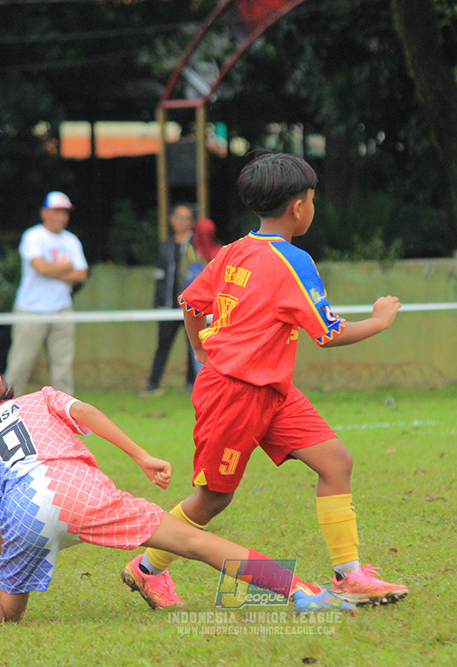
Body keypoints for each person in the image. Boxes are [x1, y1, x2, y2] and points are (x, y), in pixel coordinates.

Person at [0, 356, 353, 633]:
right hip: (77, 491)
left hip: (23, 517)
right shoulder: (38, 399)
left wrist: (7, 578)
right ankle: (301, 592)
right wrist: (141, 455)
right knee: (196, 543)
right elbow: (87, 413)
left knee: (7, 611)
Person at [134, 153, 409, 608]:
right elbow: (329, 333)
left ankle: (349, 575)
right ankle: (145, 569)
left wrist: (201, 348)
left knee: (335, 461)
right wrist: (379, 322)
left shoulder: (233, 250)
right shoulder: (293, 260)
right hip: (234, 393)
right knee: (212, 499)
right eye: (313, 199)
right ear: (300, 207)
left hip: (272, 389)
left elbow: (192, 303)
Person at [3, 192, 88, 396]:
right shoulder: (33, 236)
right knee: (20, 365)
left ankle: (64, 414)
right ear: (44, 213)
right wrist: (67, 267)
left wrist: (53, 270)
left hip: (62, 309)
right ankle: (4, 410)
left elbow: (82, 274)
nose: (61, 217)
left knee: (63, 368)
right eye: (56, 211)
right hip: (30, 309)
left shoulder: (71, 240)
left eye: (64, 212)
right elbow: (41, 268)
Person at [139, 204, 205, 396]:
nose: (180, 221)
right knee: (162, 346)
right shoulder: (166, 246)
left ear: (192, 223)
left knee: (194, 346)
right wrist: (159, 304)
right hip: (168, 306)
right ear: (171, 219)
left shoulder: (198, 246)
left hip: (192, 307)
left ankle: (193, 384)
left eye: (185, 218)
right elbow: (159, 277)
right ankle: (153, 385)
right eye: (177, 216)